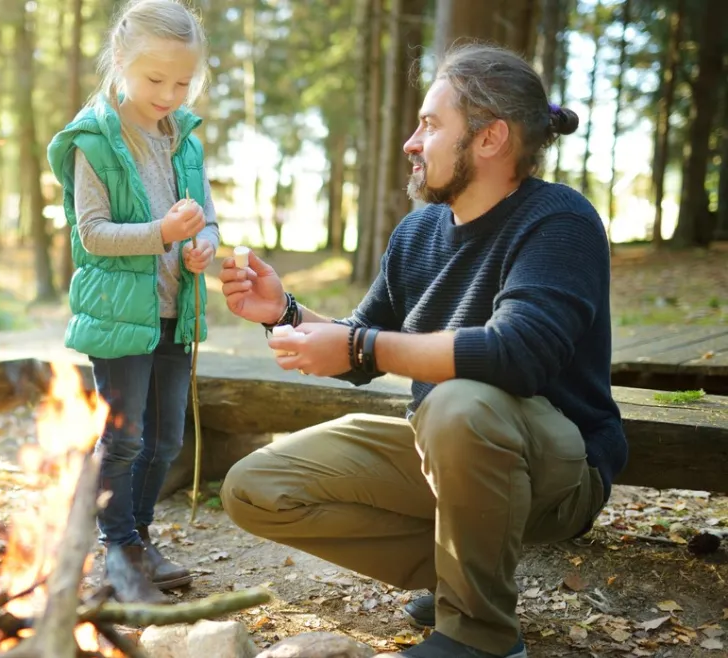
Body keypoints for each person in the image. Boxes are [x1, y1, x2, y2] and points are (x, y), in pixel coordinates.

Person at [217, 43, 627, 658]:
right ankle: (463, 581)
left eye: (431, 125)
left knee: (461, 404)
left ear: (490, 139)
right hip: (448, 449)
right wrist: (286, 312)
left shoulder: (559, 220)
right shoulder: (417, 234)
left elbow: (519, 354)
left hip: (558, 470)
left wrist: (363, 344)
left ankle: (479, 635)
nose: (412, 141)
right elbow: (362, 346)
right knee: (257, 485)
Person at [46, 0, 219, 603]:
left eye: (182, 82)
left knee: (167, 439)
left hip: (175, 309)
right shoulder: (92, 141)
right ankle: (116, 550)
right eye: (155, 80)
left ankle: (141, 539)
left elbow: (207, 221)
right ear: (120, 61)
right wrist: (161, 235)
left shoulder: (184, 138)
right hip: (120, 316)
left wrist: (200, 246)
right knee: (125, 438)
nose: (169, 94)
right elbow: (90, 234)